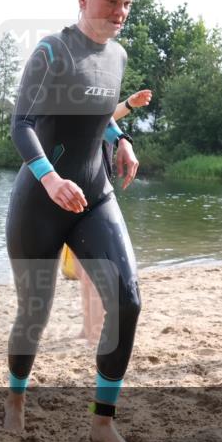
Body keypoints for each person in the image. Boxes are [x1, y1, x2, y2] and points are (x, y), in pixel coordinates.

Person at [4, 0, 142, 442]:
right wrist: (50, 178)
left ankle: (102, 423)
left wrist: (120, 137)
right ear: (83, 1)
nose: (119, 12)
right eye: (111, 2)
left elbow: (98, 111)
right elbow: (22, 124)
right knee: (34, 311)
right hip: (41, 199)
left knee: (127, 300)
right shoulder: (52, 50)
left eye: (126, 4)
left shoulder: (118, 56)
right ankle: (16, 400)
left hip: (95, 194)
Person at [68, 88, 153, 346]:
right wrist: (128, 103)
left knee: (90, 271)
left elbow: (105, 116)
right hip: (79, 190)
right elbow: (102, 115)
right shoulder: (77, 102)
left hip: (93, 192)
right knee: (86, 271)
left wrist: (127, 103)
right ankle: (89, 329)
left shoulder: (94, 106)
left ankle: (93, 331)